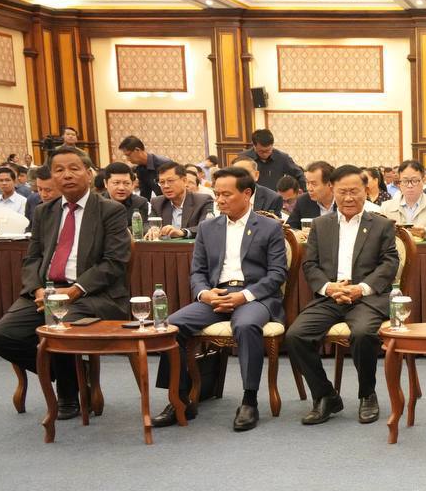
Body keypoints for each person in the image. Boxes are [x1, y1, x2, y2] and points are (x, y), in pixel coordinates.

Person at [0, 147, 130, 420]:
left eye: (74, 168)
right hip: (46, 292)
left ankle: (68, 393)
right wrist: (38, 289)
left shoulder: (110, 210)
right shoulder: (44, 211)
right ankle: (75, 374)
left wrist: (73, 291)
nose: (67, 175)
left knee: (58, 324)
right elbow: (32, 258)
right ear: (52, 176)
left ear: (89, 173)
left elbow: (114, 262)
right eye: (59, 170)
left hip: (92, 294)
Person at [149, 166, 287, 432]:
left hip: (253, 296)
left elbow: (277, 274)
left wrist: (243, 296)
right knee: (170, 327)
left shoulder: (269, 227)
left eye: (227, 194)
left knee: (246, 325)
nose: (220, 200)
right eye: (217, 194)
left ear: (247, 194)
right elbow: (197, 272)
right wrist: (205, 293)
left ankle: (249, 400)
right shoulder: (208, 227)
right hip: (216, 295)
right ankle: (180, 399)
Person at [286, 165, 399, 426]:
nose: (349, 198)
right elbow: (310, 265)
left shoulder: (381, 225)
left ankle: (367, 394)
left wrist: (361, 288)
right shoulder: (320, 225)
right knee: (295, 335)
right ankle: (325, 395)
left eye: (354, 191)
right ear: (332, 190)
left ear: (366, 191)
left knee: (362, 333)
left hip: (367, 298)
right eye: (342, 192)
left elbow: (389, 264)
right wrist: (329, 288)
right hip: (330, 296)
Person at [378, 159, 426, 240]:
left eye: (415, 180)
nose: (410, 186)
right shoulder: (386, 207)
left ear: (423, 181)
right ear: (399, 183)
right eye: (405, 181)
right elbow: (377, 233)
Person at [148, 163, 214, 239]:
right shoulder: (157, 202)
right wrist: (152, 230)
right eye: (162, 182)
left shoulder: (203, 200)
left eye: (170, 181)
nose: (166, 186)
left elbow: (206, 227)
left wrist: (183, 232)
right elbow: (146, 225)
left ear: (184, 181)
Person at [240, 129, 304, 191]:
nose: (265, 154)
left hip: (275, 196)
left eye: (268, 150)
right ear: (254, 146)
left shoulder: (282, 158)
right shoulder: (244, 159)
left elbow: (299, 174)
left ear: (272, 145)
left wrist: (302, 192)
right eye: (261, 151)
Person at [286, 160, 337, 233]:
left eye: (314, 184)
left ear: (329, 184)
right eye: (307, 183)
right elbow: (290, 228)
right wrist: (298, 233)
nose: (309, 188)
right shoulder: (303, 201)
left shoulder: (342, 201)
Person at [102, 162, 149, 229]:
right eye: (116, 183)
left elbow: (142, 228)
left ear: (132, 184)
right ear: (105, 183)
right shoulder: (96, 203)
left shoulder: (140, 203)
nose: (121, 188)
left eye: (126, 183)